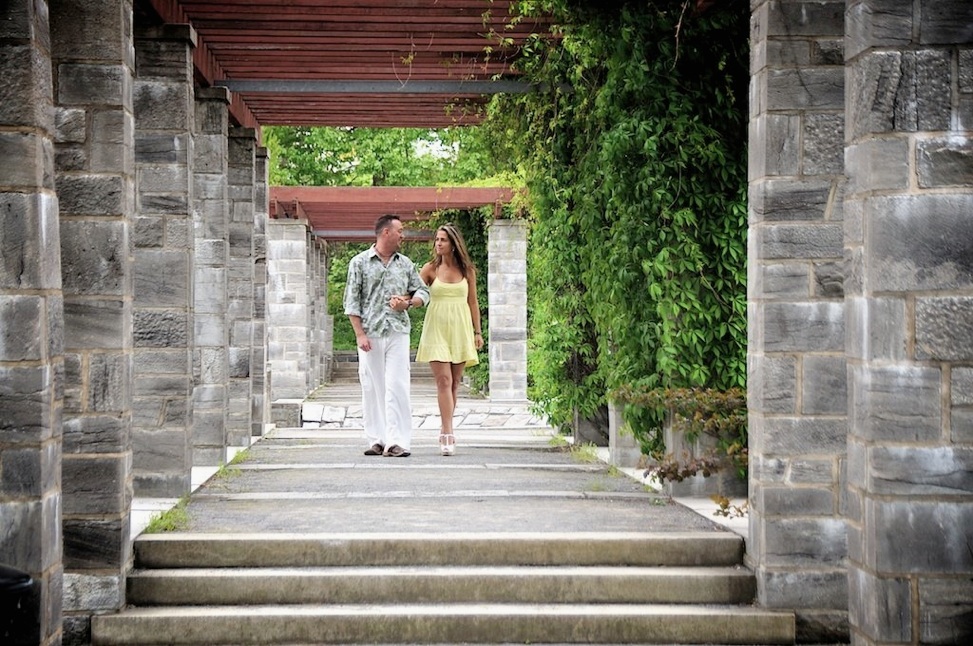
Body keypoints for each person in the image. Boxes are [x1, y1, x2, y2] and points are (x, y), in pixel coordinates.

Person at [343, 214, 429, 458]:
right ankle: (377, 439)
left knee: (397, 384)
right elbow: (351, 301)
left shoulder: (406, 264)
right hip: (369, 333)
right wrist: (359, 334)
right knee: (372, 386)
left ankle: (397, 441)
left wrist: (409, 303)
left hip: (397, 331)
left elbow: (423, 290)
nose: (403, 235)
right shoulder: (359, 263)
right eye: (400, 231)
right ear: (386, 233)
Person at [415, 223, 484, 456]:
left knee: (455, 382)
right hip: (436, 328)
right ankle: (447, 430)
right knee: (443, 381)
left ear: (454, 244)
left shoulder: (467, 271)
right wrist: (402, 301)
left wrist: (478, 332)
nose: (438, 243)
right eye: (437, 239)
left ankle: (447, 425)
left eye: (443, 240)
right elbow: (414, 290)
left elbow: (473, 302)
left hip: (460, 329)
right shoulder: (430, 269)